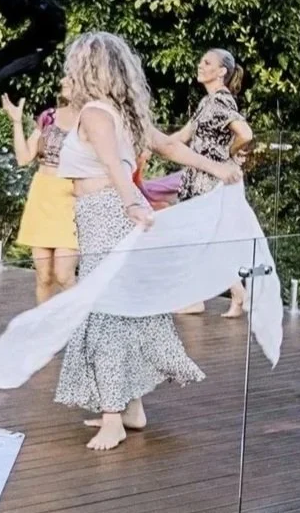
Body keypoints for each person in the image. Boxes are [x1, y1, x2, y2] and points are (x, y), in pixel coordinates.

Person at [53, 32, 241, 452]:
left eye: (75, 64)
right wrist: (217, 166)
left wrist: (130, 204)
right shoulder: (123, 112)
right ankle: (130, 409)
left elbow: (113, 166)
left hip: (107, 214)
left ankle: (111, 419)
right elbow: (170, 146)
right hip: (109, 215)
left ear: (89, 70)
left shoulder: (97, 114)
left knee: (106, 314)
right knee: (125, 312)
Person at [171, 49, 254, 317]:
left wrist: (228, 152)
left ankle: (208, 297)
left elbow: (245, 133)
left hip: (210, 180)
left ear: (221, 72)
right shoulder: (206, 103)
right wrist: (149, 143)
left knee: (201, 239)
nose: (200, 65)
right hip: (201, 179)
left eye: (207, 63)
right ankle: (235, 294)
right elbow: (183, 136)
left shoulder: (220, 102)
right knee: (205, 240)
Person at [2, 93, 78, 303]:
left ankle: (79, 327)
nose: (64, 84)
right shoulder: (48, 117)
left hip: (70, 198)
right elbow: (24, 157)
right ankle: (45, 329)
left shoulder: (89, 119)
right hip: (43, 196)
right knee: (44, 276)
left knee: (63, 274)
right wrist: (16, 122)